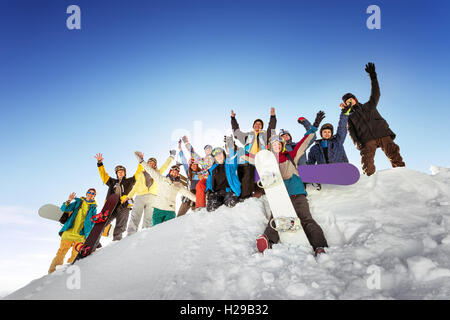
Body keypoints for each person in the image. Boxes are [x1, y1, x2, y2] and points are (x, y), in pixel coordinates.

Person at [256, 131, 328, 257]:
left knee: (306, 219)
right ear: (270, 147)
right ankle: (267, 240)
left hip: (296, 193)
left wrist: (311, 130)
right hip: (278, 196)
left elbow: (302, 144)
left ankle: (319, 246)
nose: (277, 146)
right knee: (276, 219)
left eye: (279, 144)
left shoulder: (291, 155)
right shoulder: (268, 163)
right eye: (274, 144)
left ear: (282, 145)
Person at [342, 62, 405, 176]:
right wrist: (357, 143)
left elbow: (376, 92)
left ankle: (402, 174)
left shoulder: (369, 105)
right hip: (366, 139)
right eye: (347, 102)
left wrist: (373, 76)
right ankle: (369, 180)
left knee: (394, 153)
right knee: (367, 160)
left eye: (350, 99)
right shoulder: (350, 116)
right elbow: (351, 132)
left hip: (382, 133)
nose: (349, 102)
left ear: (355, 99)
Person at [134, 151, 196, 226]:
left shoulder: (179, 185)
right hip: (158, 209)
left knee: (168, 231)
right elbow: (150, 170)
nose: (174, 173)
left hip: (170, 211)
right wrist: (141, 160)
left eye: (176, 172)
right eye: (173, 171)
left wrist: (201, 200)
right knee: (155, 231)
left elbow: (188, 194)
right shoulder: (161, 179)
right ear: (170, 172)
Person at [125, 151, 174, 236]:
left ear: (155, 165)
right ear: (147, 164)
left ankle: (145, 235)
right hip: (140, 196)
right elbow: (136, 186)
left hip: (152, 197)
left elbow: (166, 165)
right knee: (135, 216)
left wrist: (171, 157)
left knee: (148, 218)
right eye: (150, 162)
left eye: (153, 163)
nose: (151, 164)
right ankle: (130, 234)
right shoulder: (140, 174)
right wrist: (129, 196)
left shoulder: (158, 172)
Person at [231, 107, 277, 199]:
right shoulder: (248, 135)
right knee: (247, 175)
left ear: (262, 127)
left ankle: (266, 195)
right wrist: (233, 119)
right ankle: (245, 197)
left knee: (264, 175)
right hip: (249, 159)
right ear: (253, 126)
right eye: (256, 124)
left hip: (261, 159)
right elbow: (236, 132)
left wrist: (272, 117)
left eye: (260, 124)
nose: (257, 125)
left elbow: (271, 127)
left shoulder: (265, 135)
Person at [48, 189, 97, 273]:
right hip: (69, 232)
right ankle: (52, 272)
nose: (90, 194)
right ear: (86, 193)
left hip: (80, 235)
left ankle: (68, 273)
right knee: (61, 253)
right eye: (89, 192)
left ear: (94, 196)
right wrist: (69, 200)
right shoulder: (78, 202)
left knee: (75, 256)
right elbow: (64, 208)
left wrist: (89, 233)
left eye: (93, 193)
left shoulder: (93, 207)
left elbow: (94, 220)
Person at [94, 153, 137, 241]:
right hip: (111, 205)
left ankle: (116, 242)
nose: (120, 173)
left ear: (125, 173)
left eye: (122, 172)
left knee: (120, 226)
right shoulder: (112, 181)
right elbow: (104, 175)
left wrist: (140, 162)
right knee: (102, 224)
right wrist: (100, 164)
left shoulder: (130, 181)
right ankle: (94, 240)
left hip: (124, 205)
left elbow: (138, 174)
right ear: (116, 174)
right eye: (118, 172)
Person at [205, 136, 241, 212]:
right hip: (216, 193)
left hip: (229, 191)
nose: (218, 156)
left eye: (220, 153)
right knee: (210, 208)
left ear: (224, 154)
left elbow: (233, 156)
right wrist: (208, 190)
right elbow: (209, 180)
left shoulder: (229, 163)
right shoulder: (212, 169)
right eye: (216, 155)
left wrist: (231, 145)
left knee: (230, 204)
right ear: (214, 158)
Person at [182, 136, 215, 209]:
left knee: (211, 187)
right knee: (199, 185)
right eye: (206, 149)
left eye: (210, 148)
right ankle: (200, 206)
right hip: (206, 178)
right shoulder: (203, 160)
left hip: (214, 176)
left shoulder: (215, 157)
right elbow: (193, 153)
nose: (208, 149)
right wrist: (186, 143)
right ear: (205, 151)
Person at [177, 140, 208, 216]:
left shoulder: (202, 173)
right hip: (189, 194)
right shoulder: (189, 173)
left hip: (199, 194)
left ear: (197, 165)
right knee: (179, 216)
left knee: (197, 214)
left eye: (195, 164)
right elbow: (183, 160)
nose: (194, 166)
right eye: (192, 164)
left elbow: (206, 169)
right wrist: (180, 149)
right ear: (190, 166)